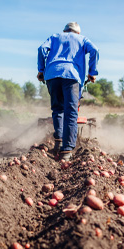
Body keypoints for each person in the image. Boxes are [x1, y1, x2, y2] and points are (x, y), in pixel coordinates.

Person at [37, 22, 99, 161]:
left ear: (64, 31)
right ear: (77, 32)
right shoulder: (82, 39)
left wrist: (41, 70)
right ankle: (66, 150)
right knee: (71, 112)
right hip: (72, 75)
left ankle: (58, 141)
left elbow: (41, 49)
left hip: (52, 74)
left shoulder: (55, 37)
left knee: (58, 109)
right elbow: (94, 50)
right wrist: (92, 72)